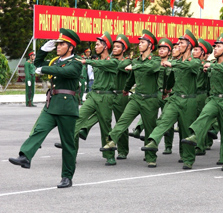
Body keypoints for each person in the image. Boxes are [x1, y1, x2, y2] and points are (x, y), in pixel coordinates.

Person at [9, 28, 82, 188]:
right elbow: (37, 65)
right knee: (39, 130)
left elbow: (65, 72)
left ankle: (67, 177)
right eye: (57, 44)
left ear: (70, 47)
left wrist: (45, 68)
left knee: (68, 144)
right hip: (52, 104)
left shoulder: (76, 62)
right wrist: (42, 51)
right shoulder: (56, 61)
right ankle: (25, 156)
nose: (58, 46)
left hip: (67, 106)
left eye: (61, 44)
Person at [141, 30, 201, 170]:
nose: (178, 45)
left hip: (189, 100)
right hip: (175, 98)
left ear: (189, 46)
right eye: (178, 43)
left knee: (186, 131)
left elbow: (188, 66)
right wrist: (166, 90)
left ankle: (188, 159)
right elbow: (172, 79)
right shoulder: (175, 62)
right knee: (164, 120)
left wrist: (173, 64)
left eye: (181, 43)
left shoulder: (195, 62)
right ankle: (153, 141)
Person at [101, 31, 161, 167]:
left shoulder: (155, 60)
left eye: (142, 43)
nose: (139, 45)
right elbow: (131, 77)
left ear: (150, 46)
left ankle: (151, 156)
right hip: (136, 97)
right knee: (123, 120)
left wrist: (135, 66)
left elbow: (151, 68)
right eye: (139, 42)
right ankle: (112, 140)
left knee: (149, 129)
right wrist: (126, 89)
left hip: (150, 100)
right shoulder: (136, 61)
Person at [182, 33, 223, 171]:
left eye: (218, 46)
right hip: (214, 99)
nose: (215, 49)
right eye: (215, 46)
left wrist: (213, 67)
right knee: (205, 115)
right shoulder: (212, 64)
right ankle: (195, 135)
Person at [73, 32, 119, 166]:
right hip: (94, 95)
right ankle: (71, 150)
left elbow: (102, 65)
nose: (95, 47)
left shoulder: (113, 61)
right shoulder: (97, 61)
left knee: (105, 127)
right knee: (78, 119)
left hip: (106, 96)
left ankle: (109, 155)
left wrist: (87, 61)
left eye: (98, 44)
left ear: (105, 47)